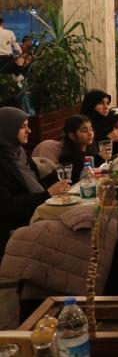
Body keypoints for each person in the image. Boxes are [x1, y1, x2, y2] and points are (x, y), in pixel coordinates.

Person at [0, 107, 69, 255]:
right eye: (23, 127)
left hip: (39, 212)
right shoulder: (3, 163)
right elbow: (7, 207)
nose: (29, 131)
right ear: (8, 129)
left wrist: (54, 182)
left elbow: (35, 184)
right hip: (18, 227)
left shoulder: (20, 153)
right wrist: (47, 194)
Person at [58, 115, 101, 183]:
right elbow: (78, 181)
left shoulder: (91, 148)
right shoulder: (68, 158)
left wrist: (101, 157)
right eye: (84, 131)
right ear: (72, 136)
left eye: (91, 129)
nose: (90, 133)